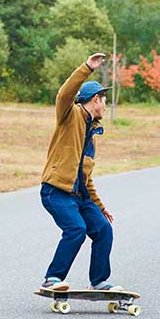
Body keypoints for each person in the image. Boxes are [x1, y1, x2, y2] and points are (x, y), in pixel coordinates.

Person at [39, 52, 121, 292]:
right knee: (76, 229)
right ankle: (53, 278)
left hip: (79, 196)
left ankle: (99, 281)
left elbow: (86, 178)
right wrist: (87, 67)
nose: (106, 105)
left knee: (103, 229)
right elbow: (64, 94)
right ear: (96, 99)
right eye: (104, 100)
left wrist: (100, 207)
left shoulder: (92, 135)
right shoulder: (70, 115)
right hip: (56, 191)